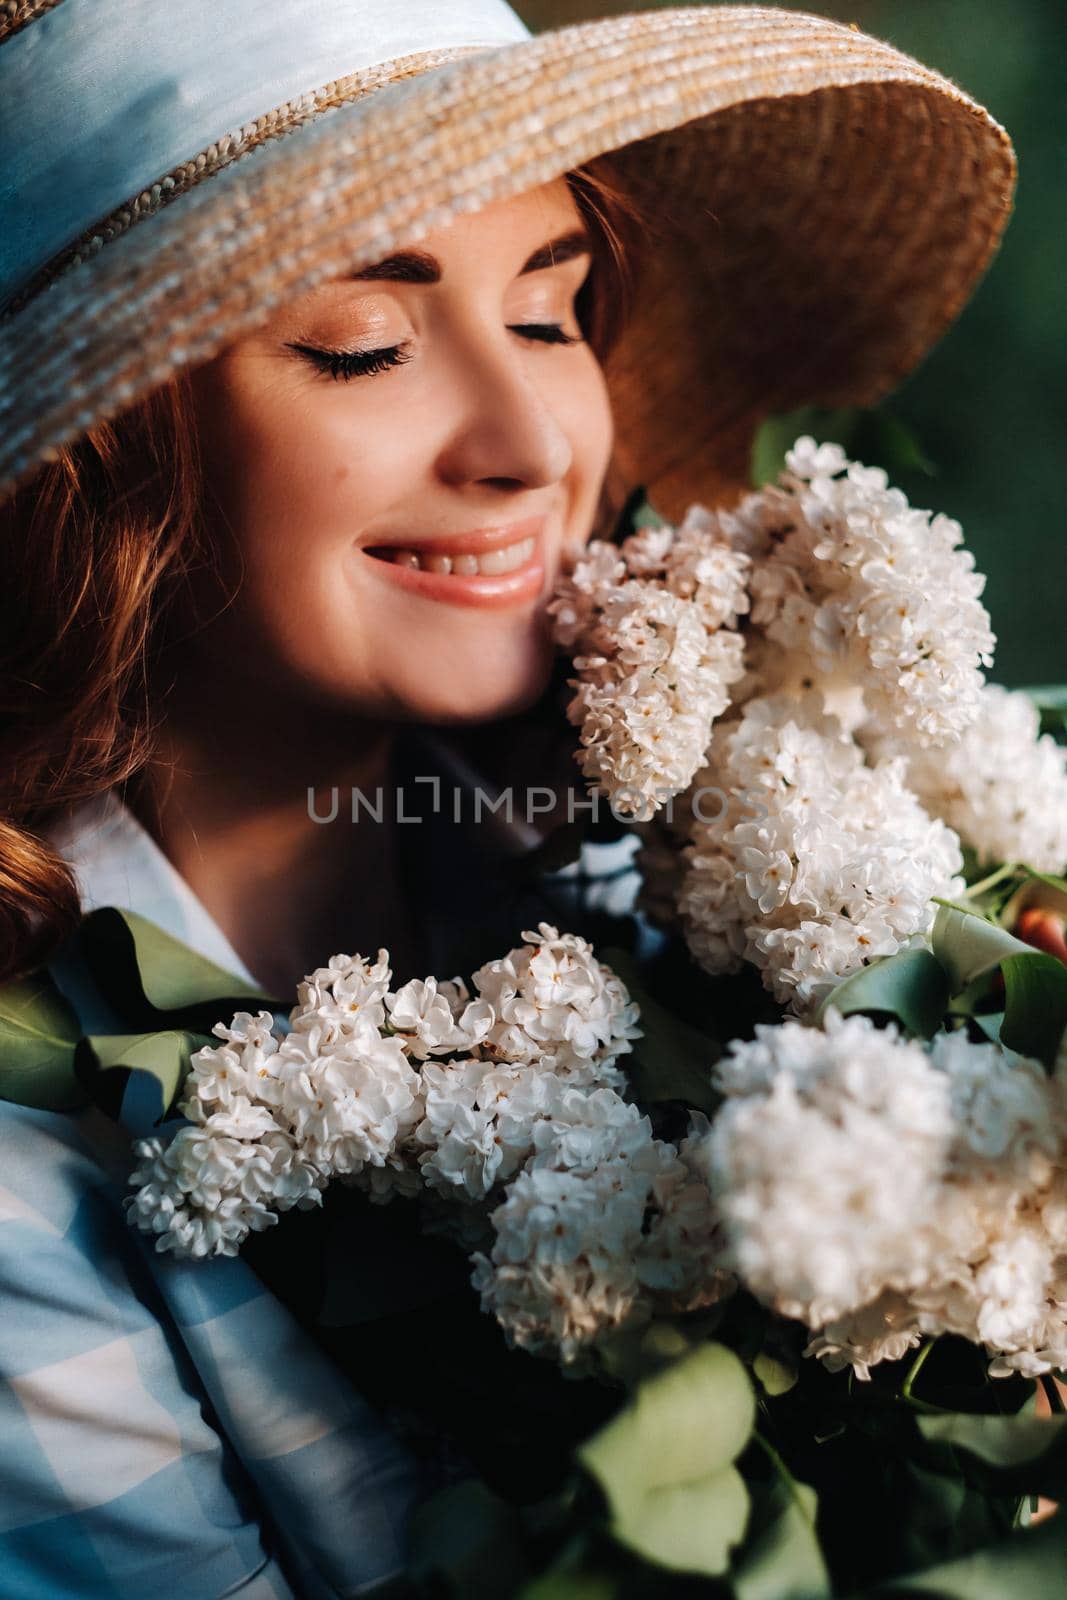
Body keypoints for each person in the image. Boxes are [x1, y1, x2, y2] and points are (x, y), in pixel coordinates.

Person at [0, 1, 1016, 1595]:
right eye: (363, 343)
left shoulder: (721, 874)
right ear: (96, 459)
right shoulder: (23, 1202)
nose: (532, 438)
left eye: (555, 315)